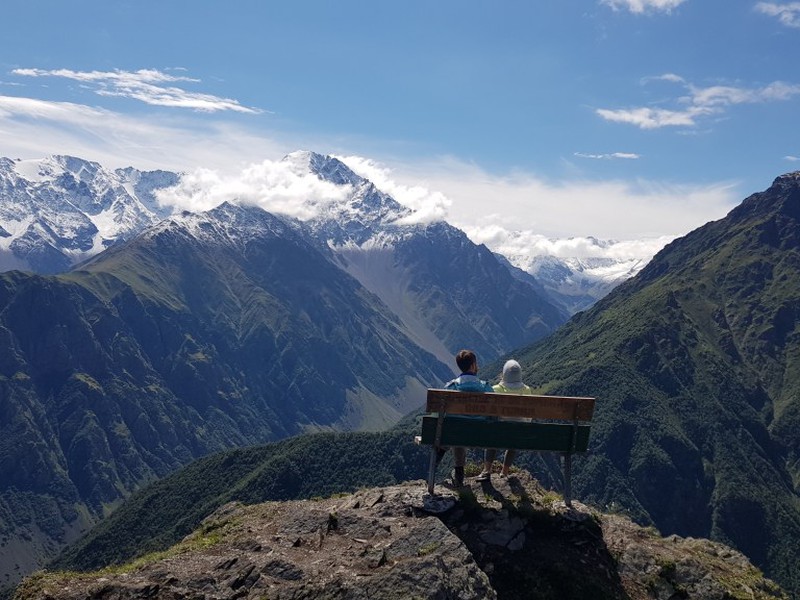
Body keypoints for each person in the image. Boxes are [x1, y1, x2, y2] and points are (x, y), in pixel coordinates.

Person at [441, 349, 493, 487]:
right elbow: (494, 414)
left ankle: (459, 472)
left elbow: (439, 414)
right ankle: (464, 471)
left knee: (457, 426)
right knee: (462, 426)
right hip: (483, 435)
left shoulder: (451, 387)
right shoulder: (485, 387)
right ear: (473, 365)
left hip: (456, 434)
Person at [475, 359, 532, 481]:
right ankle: (505, 472)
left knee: (493, 434)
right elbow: (528, 417)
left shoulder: (495, 389)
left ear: (504, 374)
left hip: (497, 432)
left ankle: (487, 469)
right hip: (518, 433)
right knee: (513, 439)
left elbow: (488, 414)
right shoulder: (527, 390)